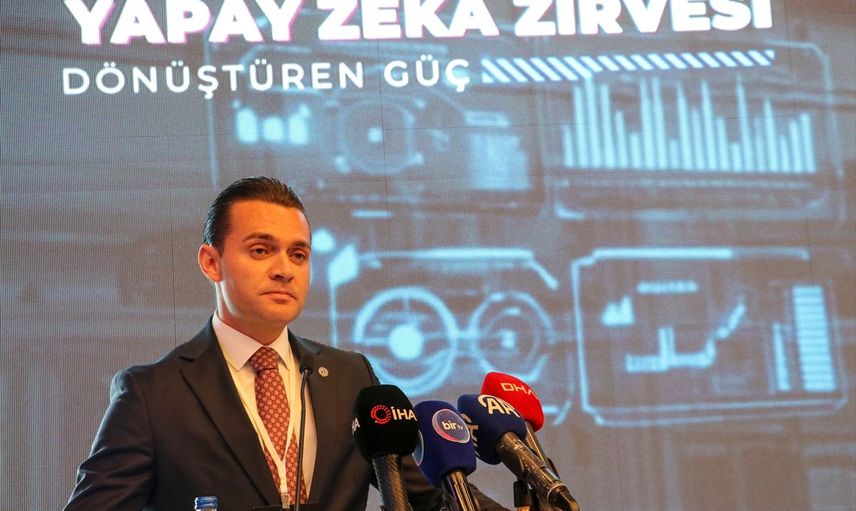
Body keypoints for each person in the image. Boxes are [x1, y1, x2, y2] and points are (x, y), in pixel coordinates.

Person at [65, 176, 508, 511]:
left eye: (298, 254)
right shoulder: (152, 394)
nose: (284, 269)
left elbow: (432, 496)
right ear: (211, 262)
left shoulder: (352, 377)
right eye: (261, 250)